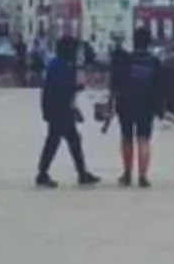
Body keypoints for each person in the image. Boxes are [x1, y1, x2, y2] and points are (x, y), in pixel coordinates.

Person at [34, 35, 99, 187]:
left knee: (68, 140)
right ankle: (44, 173)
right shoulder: (62, 67)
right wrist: (74, 102)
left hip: (55, 108)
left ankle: (80, 173)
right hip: (60, 110)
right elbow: (63, 90)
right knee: (58, 141)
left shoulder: (57, 64)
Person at [114, 26, 166, 187]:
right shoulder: (154, 61)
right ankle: (143, 176)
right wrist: (160, 107)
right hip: (146, 103)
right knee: (144, 138)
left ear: (134, 41)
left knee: (127, 138)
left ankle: (127, 174)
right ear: (148, 43)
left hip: (126, 102)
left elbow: (116, 83)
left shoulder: (126, 60)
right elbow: (160, 86)